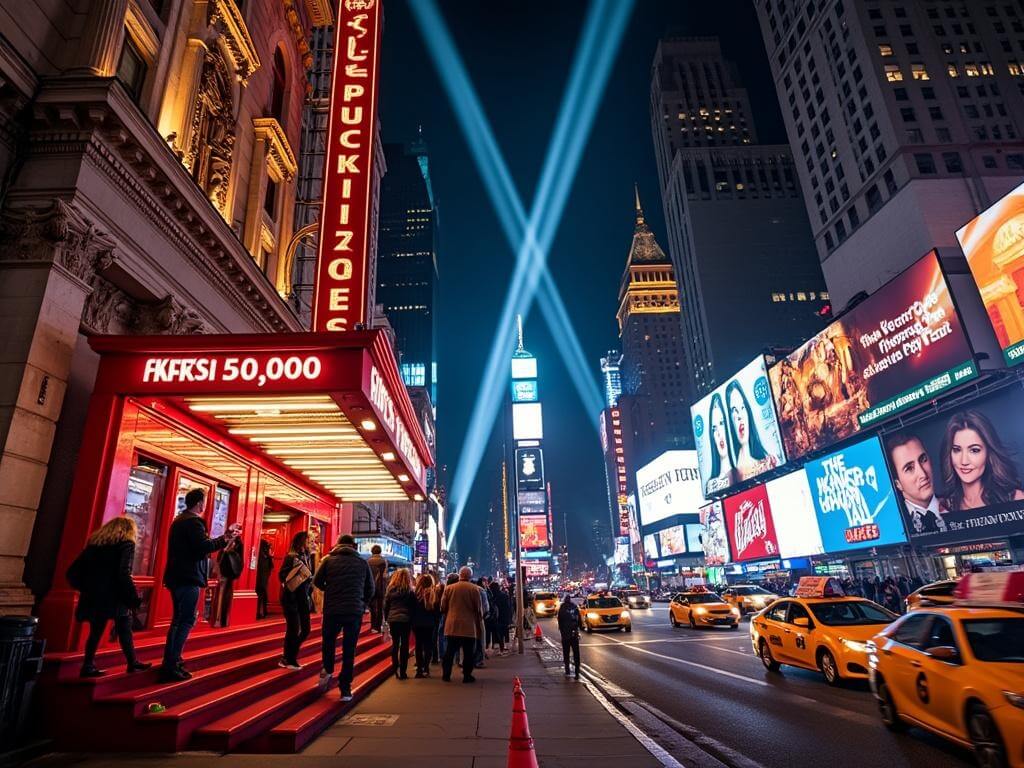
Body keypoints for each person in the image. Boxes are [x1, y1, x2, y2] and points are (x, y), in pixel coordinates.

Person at [160, 488, 239, 683]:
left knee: (177, 620)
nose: (205, 505)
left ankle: (170, 660)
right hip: (188, 577)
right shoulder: (193, 522)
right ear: (199, 503)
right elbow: (203, 547)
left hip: (176, 577)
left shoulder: (179, 521)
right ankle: (173, 663)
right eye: (204, 502)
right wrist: (226, 538)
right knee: (185, 620)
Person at [66, 516, 148, 678]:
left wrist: (87, 588)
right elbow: (124, 573)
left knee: (96, 631)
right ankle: (132, 663)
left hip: (94, 596)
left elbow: (72, 572)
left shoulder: (95, 545)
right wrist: (133, 597)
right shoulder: (126, 545)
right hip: (115, 596)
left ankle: (88, 665)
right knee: (125, 627)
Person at [314, 534, 375, 701]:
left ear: (338, 545)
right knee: (349, 649)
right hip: (353, 611)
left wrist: (330, 588)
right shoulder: (362, 563)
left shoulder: (328, 560)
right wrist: (362, 603)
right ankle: (345, 687)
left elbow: (317, 581)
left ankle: (328, 668)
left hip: (332, 609)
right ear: (353, 546)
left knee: (329, 641)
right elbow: (371, 588)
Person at [940, 409, 1024, 511]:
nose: (964, 461)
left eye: (974, 450)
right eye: (957, 450)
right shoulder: (944, 508)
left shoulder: (1014, 498)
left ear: (988, 453)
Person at [887, 434, 949, 534]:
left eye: (923, 460)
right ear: (897, 483)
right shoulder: (894, 527)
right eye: (909, 468)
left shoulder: (956, 506)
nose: (923, 474)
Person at [726, 380, 778, 481]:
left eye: (742, 407)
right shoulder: (730, 477)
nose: (740, 416)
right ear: (730, 419)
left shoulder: (768, 463)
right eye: (734, 410)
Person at [440, 566, 483, 684]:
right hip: (469, 626)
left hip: (452, 625)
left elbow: (442, 607)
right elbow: (478, 608)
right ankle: (467, 676)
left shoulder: (449, 588)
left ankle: (446, 674)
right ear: (470, 576)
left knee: (450, 651)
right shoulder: (474, 589)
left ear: (459, 575)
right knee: (469, 652)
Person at [278, 532, 313, 670]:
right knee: (293, 629)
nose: (312, 542)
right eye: (309, 540)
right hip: (291, 599)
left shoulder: (308, 557)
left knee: (306, 629)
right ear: (302, 542)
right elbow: (282, 576)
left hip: (303, 599)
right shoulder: (291, 557)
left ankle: (289, 655)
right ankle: (289, 659)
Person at [383, 568, 415, 679]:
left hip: (393, 619)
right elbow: (413, 608)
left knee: (395, 644)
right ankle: (403, 671)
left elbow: (386, 606)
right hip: (405, 620)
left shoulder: (390, 589)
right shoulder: (410, 591)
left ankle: (394, 668)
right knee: (404, 645)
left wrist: (387, 618)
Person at [705, 393, 737, 495]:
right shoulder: (710, 486)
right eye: (714, 428)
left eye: (722, 423)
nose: (718, 433)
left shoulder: (744, 471)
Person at [212, 535, 244, 628]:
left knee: (222, 596)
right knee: (225, 596)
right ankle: (222, 620)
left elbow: (220, 558)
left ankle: (219, 620)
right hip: (229, 573)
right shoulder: (237, 544)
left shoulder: (233, 544)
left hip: (226, 573)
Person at [412, 574, 437, 678]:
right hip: (430, 623)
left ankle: (419, 670)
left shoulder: (414, 595)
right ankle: (426, 668)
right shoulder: (434, 594)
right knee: (428, 646)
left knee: (418, 645)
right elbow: (437, 611)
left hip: (417, 623)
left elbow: (411, 609)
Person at [556, 593, 582, 679]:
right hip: (574, 633)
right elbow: (579, 620)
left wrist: (562, 630)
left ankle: (567, 669)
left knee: (566, 652)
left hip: (565, 634)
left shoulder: (562, 608)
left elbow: (559, 620)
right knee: (576, 653)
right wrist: (578, 628)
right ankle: (577, 672)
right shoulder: (574, 607)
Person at [366, 544, 387, 633]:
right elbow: (384, 576)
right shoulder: (383, 561)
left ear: (372, 551)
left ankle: (373, 626)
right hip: (380, 587)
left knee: (372, 607)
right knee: (380, 607)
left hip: (371, 587)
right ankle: (378, 626)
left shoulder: (368, 562)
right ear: (380, 551)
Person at [489, 581, 510, 655]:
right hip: (504, 617)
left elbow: (492, 608)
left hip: (498, 618)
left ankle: (501, 649)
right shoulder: (504, 595)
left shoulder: (494, 597)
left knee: (499, 634)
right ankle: (503, 647)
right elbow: (508, 607)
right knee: (504, 632)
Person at [255, 539, 274, 619]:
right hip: (262, 581)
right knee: (262, 595)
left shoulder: (262, 556)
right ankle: (262, 612)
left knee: (261, 596)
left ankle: (260, 612)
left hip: (260, 581)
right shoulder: (265, 557)